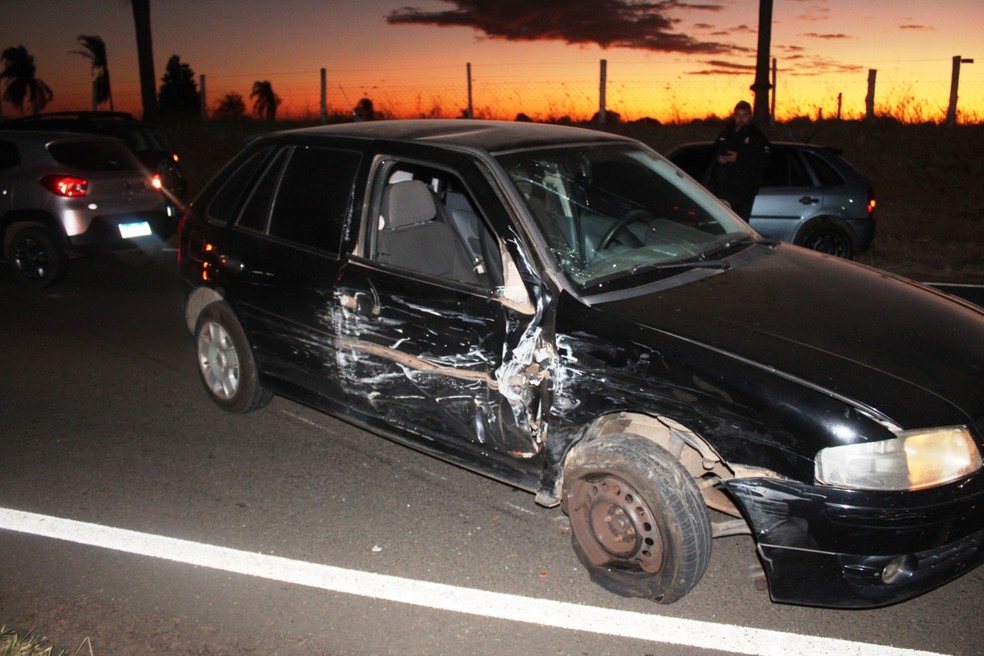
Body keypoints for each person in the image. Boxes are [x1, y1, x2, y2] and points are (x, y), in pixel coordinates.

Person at [707, 100, 771, 221]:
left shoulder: (757, 137)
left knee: (740, 224)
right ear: (734, 115)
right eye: (738, 115)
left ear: (750, 116)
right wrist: (719, 158)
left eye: (744, 115)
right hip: (723, 190)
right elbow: (714, 151)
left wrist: (739, 158)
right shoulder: (726, 133)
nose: (741, 118)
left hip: (744, 191)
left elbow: (765, 160)